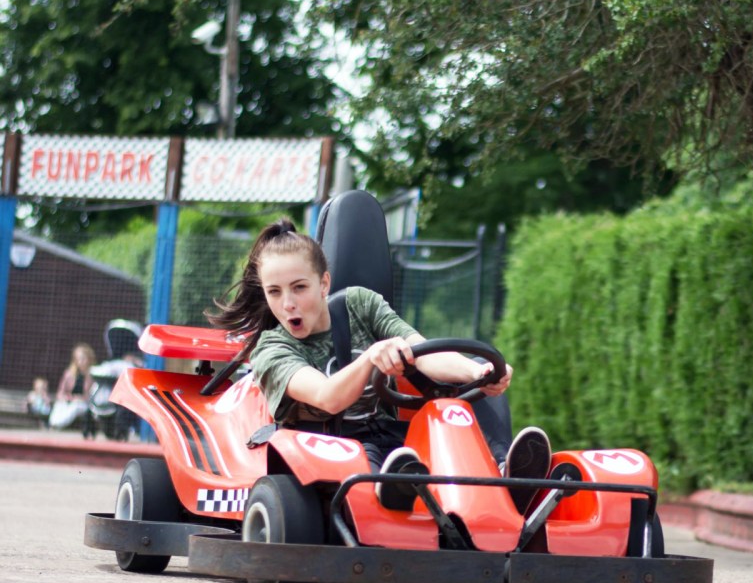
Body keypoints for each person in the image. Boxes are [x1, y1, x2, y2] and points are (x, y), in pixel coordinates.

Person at [207, 218, 552, 512]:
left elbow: (422, 351)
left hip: (387, 434)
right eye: (275, 292)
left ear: (324, 283)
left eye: (299, 288)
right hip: (326, 448)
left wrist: (477, 373)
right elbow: (327, 397)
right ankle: (389, 493)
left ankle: (503, 472)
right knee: (370, 461)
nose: (288, 304)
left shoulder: (360, 304)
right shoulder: (272, 348)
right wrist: (372, 357)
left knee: (463, 394)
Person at [49, 342, 96, 436]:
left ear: (89, 359)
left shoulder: (94, 374)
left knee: (76, 406)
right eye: (77, 359)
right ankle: (53, 423)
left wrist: (80, 398)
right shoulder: (69, 373)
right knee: (60, 404)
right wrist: (67, 398)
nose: (80, 361)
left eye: (83, 358)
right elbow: (60, 392)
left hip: (84, 404)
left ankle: (57, 425)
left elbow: (94, 395)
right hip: (69, 401)